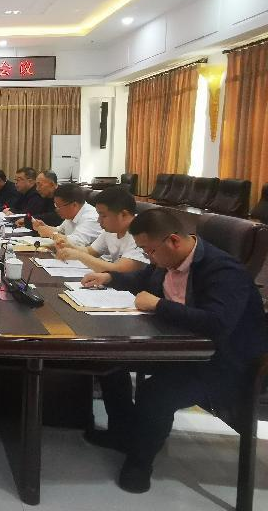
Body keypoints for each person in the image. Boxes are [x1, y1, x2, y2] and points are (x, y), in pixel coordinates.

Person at [81, 209, 268, 494]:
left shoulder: (224, 271)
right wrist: (108, 278)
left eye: (150, 250)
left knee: (156, 393)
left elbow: (218, 323)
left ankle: (140, 462)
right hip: (182, 348)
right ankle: (123, 433)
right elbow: (143, 278)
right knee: (109, 363)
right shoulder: (167, 260)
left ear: (173, 241)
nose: (149, 257)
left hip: (224, 362)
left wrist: (159, 305)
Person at [54, 186, 147, 273]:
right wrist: (70, 246)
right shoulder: (112, 230)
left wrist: (80, 256)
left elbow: (120, 269)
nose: (99, 220)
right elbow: (91, 251)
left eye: (103, 216)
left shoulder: (142, 232)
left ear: (123, 214)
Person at [34, 183, 101, 246]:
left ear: (74, 205)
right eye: (55, 205)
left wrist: (51, 234)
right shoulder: (71, 214)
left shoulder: (91, 217)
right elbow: (60, 231)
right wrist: (45, 228)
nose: (56, 209)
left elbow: (76, 243)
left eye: (59, 206)